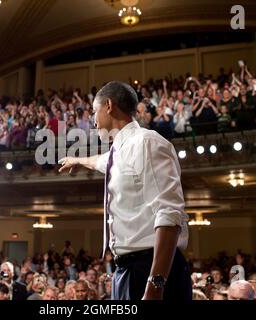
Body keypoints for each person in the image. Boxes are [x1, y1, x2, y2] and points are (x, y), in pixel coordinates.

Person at [59, 81, 191, 300]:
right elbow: (100, 161)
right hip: (127, 271)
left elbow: (170, 215)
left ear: (108, 106)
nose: (93, 119)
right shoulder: (116, 152)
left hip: (151, 271)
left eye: (94, 111)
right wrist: (78, 160)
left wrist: (155, 285)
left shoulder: (147, 143)